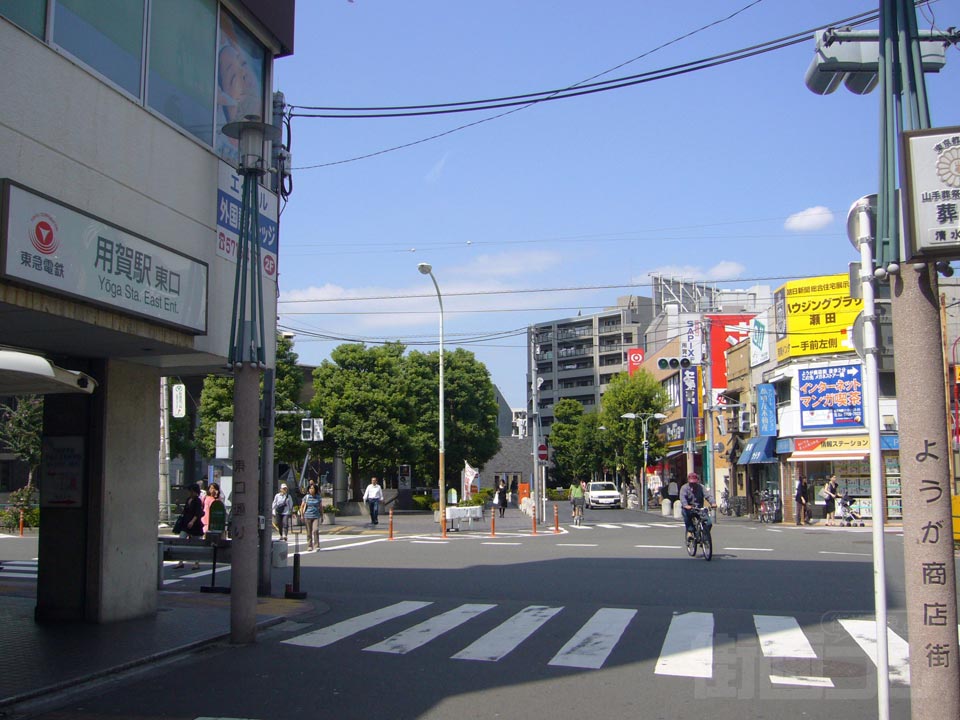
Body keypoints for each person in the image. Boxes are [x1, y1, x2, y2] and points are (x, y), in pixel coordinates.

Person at [175, 483, 204, 569]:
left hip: (195, 525)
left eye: (191, 491)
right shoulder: (188, 499)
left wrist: (192, 521)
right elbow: (185, 511)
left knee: (196, 543)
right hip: (186, 523)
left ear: (195, 492)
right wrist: (178, 505)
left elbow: (197, 513)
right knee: (181, 540)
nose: (190, 493)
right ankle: (180, 561)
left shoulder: (198, 501)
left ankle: (196, 562)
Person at [680, 472, 714, 540]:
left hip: (699, 508)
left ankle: (704, 536)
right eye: (691, 483)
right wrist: (686, 505)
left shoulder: (701, 487)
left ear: (697, 481)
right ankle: (690, 531)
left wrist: (713, 503)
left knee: (708, 523)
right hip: (689, 508)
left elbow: (708, 496)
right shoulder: (684, 488)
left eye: (694, 483)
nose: (693, 485)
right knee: (686, 516)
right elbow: (682, 498)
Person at [300, 484, 323, 551]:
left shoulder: (318, 497)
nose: (311, 490)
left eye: (312, 488)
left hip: (316, 516)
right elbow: (302, 506)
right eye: (310, 488)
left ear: (315, 489)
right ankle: (309, 545)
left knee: (315, 530)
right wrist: (302, 515)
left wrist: (322, 515)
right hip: (307, 516)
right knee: (309, 532)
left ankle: (316, 545)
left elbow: (321, 507)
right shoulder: (306, 497)